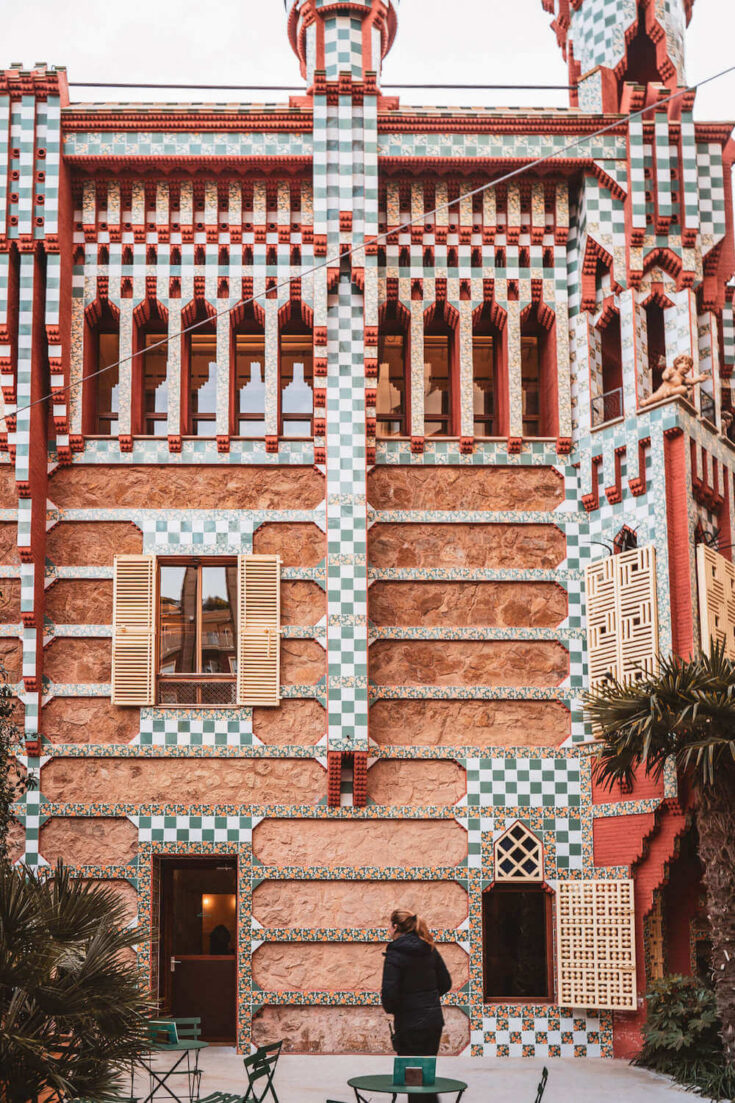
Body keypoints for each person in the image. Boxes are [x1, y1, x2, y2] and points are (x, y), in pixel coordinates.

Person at [381, 909, 452, 1103]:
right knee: (425, 1080)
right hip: (433, 1023)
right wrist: (428, 999)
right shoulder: (429, 948)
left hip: (409, 1025)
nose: (388, 929)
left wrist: (398, 1008)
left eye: (389, 925)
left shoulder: (395, 953)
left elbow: (389, 995)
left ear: (396, 927)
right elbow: (446, 983)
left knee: (413, 1081)